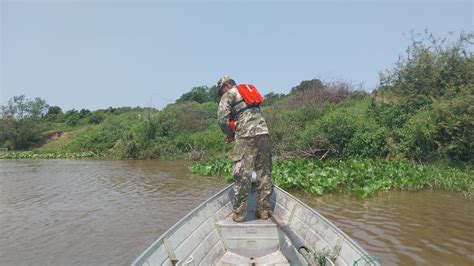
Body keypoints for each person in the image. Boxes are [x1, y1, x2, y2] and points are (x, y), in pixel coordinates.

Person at [216, 75, 273, 222]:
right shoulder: (246, 92)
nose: (221, 94)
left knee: (242, 173)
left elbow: (222, 120)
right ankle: (264, 211)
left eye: (221, 91)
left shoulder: (229, 94)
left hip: (246, 136)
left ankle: (239, 214)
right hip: (264, 133)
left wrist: (229, 134)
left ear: (226, 86)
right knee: (264, 172)